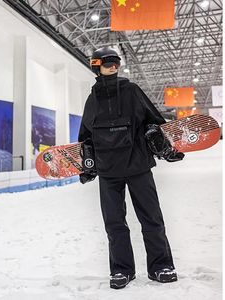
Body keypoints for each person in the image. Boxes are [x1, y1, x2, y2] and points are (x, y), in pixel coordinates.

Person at [78, 47, 184, 289]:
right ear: (97, 66)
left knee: (152, 219)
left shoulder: (132, 91)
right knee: (114, 223)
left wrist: (167, 148)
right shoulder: (92, 100)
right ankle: (122, 270)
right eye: (108, 63)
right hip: (108, 171)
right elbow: (86, 137)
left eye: (116, 62)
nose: (113, 66)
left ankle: (160, 267)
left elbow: (155, 123)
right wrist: (87, 166)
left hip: (138, 166)